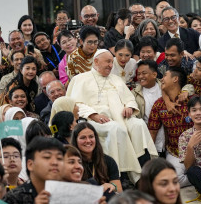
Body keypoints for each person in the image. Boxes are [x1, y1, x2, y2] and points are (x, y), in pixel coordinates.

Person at [66, 49, 158, 183]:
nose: (111, 65)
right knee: (115, 129)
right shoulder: (80, 79)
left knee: (139, 124)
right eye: (108, 62)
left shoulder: (116, 79)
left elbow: (130, 99)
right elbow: (75, 104)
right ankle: (121, 177)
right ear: (96, 61)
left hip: (122, 117)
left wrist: (129, 107)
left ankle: (145, 172)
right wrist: (93, 114)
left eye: (111, 62)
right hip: (96, 121)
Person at [148, 67, 192, 187]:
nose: (161, 79)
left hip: (196, 151)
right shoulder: (159, 104)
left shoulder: (191, 100)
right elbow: (152, 131)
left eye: (165, 76)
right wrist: (149, 158)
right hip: (174, 152)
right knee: (173, 180)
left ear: (175, 79)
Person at [3, 136, 66, 204]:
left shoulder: (69, 194)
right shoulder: (13, 199)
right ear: (30, 165)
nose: (55, 162)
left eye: (59, 158)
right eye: (47, 157)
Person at [72, 122, 122, 193]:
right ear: (75, 140)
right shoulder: (71, 163)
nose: (88, 141)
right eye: (83, 138)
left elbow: (119, 191)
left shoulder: (108, 160)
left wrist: (112, 186)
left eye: (91, 137)